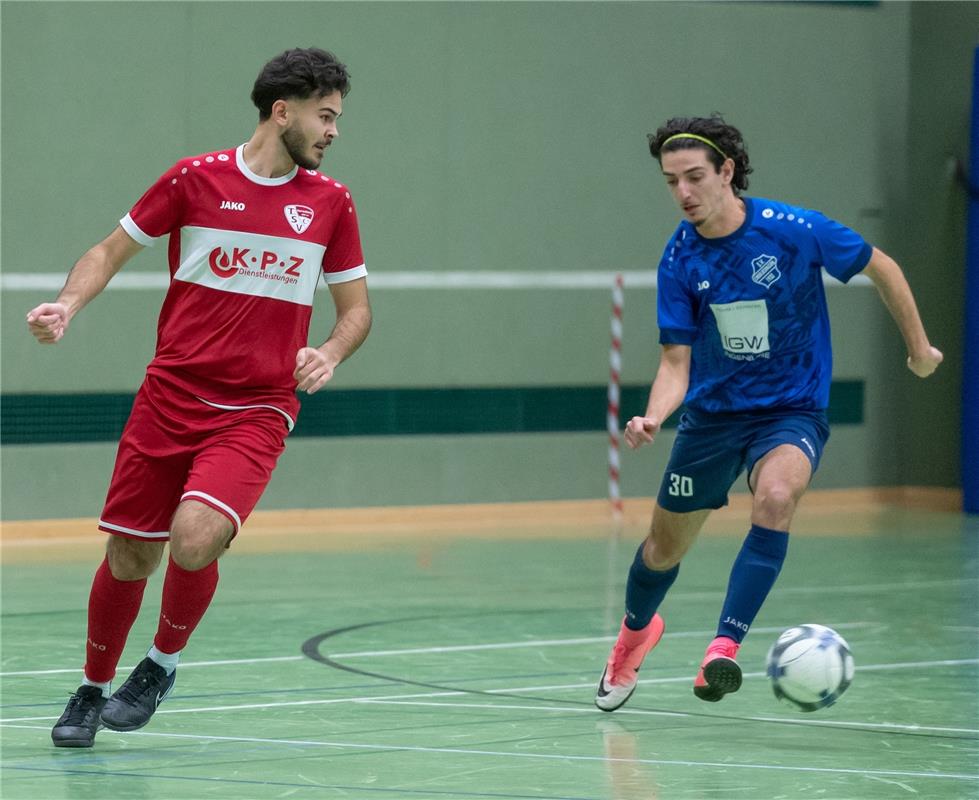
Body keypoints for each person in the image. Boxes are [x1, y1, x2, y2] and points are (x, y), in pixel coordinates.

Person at [27, 47, 372, 747]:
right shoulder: (195, 180)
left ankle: (160, 664)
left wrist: (329, 352)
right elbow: (107, 252)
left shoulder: (330, 203)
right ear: (284, 111)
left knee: (195, 537)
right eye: (325, 116)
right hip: (170, 395)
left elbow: (357, 310)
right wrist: (66, 305)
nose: (334, 131)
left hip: (257, 406)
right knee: (131, 555)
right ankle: (92, 689)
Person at [595, 115, 942, 712]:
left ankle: (722, 648)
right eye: (671, 181)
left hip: (791, 409)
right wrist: (653, 416)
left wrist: (920, 348)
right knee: (662, 551)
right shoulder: (679, 258)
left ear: (727, 172)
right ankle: (634, 635)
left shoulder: (795, 231)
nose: (683, 193)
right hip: (712, 418)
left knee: (778, 496)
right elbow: (676, 363)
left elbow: (883, 266)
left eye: (695, 177)